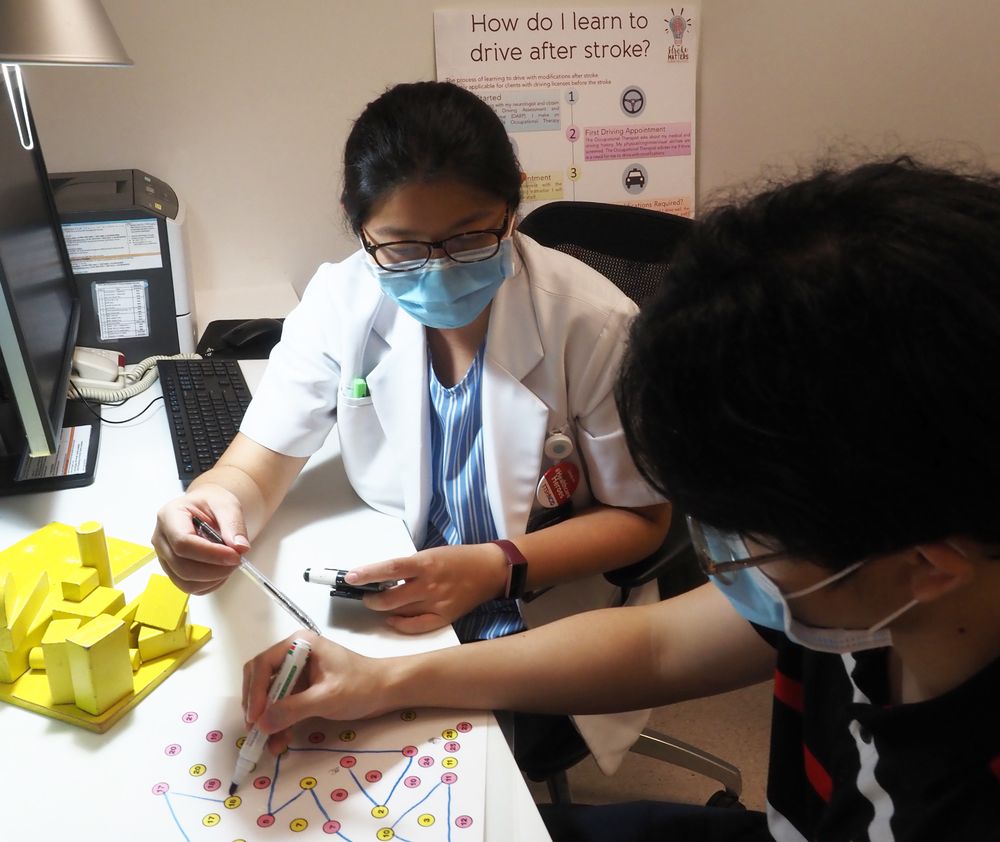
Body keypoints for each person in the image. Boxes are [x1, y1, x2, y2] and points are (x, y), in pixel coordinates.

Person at [240, 157, 1000, 842]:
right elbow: (661, 644)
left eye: (743, 538)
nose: (723, 562)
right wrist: (383, 681)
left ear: (928, 567)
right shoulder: (866, 583)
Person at [152, 81, 670, 773]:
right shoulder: (343, 298)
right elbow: (253, 467)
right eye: (400, 247)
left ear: (514, 201)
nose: (439, 269)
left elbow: (643, 520)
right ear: (356, 222)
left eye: (469, 236)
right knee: (296, 745)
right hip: (393, 602)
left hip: (537, 615)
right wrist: (213, 505)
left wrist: (494, 569)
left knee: (413, 778)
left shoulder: (593, 324)